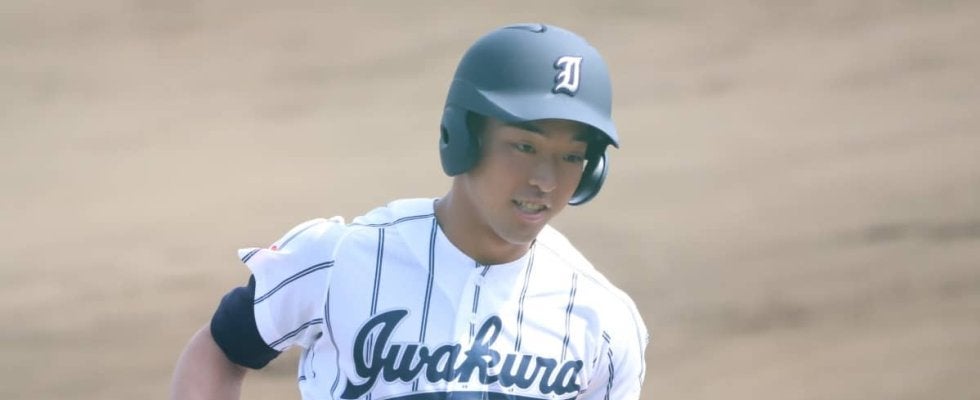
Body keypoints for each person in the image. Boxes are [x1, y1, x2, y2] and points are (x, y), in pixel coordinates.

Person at [171, 23, 648, 400]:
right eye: (524, 146)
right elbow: (221, 349)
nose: (546, 180)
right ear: (464, 137)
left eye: (572, 157)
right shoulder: (338, 259)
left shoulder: (603, 321)